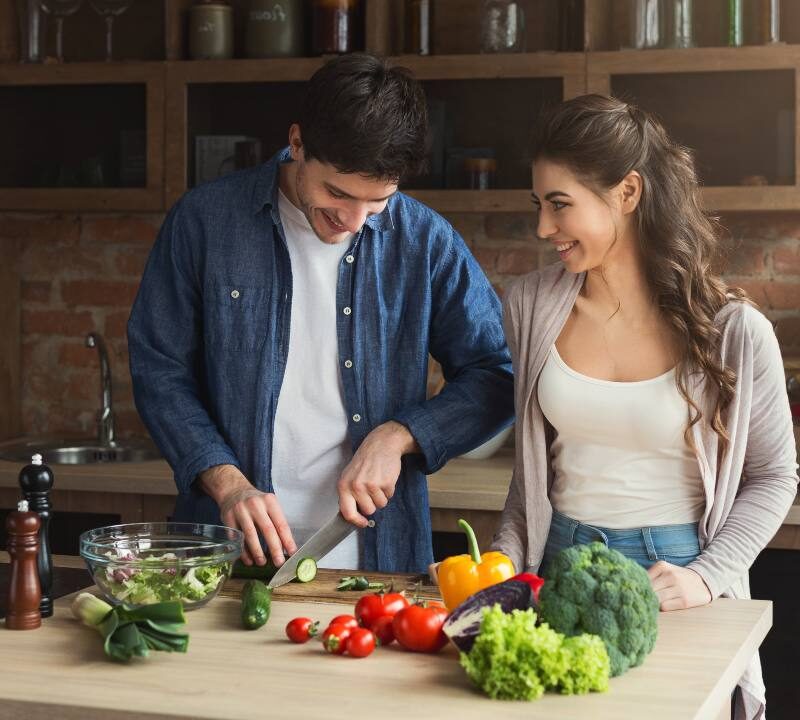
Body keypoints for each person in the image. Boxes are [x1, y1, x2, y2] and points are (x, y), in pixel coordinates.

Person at [127, 54, 514, 575]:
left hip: (380, 561)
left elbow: (497, 374)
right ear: (298, 142)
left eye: (376, 202)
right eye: (337, 193)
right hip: (228, 553)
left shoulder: (426, 242)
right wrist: (227, 483)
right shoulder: (204, 223)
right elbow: (159, 369)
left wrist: (397, 435)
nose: (353, 221)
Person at [491, 94, 798, 719]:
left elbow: (774, 477)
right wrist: (504, 564)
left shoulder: (733, 330)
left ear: (627, 193)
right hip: (557, 567)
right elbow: (529, 476)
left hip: (677, 580)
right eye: (539, 205)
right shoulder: (529, 305)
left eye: (560, 204)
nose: (544, 228)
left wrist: (707, 578)